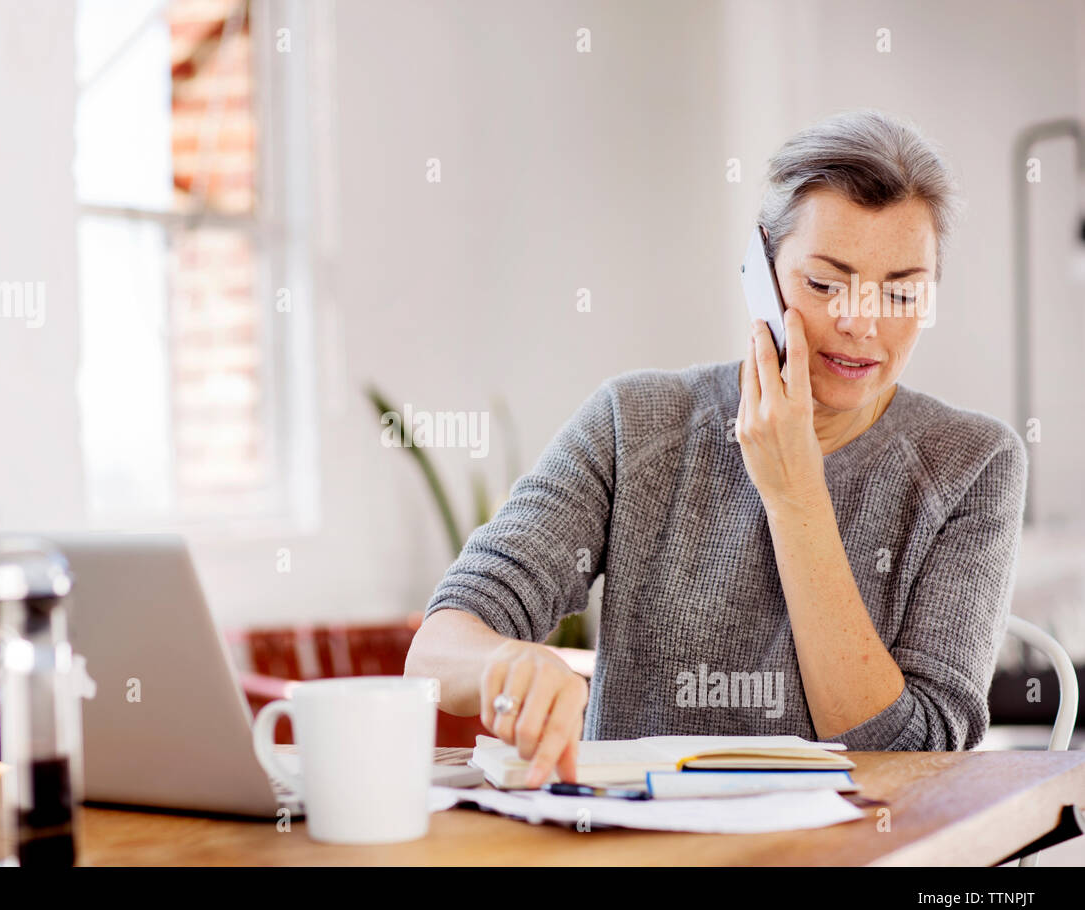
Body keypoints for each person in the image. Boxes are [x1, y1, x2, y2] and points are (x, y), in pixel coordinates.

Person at [405, 109, 1028, 787]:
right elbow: (434, 654)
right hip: (636, 851)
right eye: (824, 284)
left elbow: (916, 759)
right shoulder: (636, 422)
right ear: (758, 270)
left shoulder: (973, 465)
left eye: (902, 291)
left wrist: (794, 495)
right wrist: (502, 667)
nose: (862, 322)